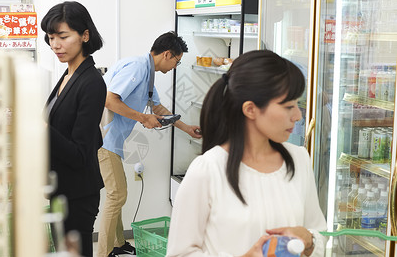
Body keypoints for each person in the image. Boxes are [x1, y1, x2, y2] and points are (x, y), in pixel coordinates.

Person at [166, 50, 327, 257]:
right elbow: (180, 253)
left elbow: (319, 232)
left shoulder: (298, 159)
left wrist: (310, 239)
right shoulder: (207, 169)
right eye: (288, 107)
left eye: (298, 104)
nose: (297, 116)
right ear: (250, 109)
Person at [97, 31, 202, 257]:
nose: (176, 65)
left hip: (112, 141)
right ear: (167, 54)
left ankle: (118, 244)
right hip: (102, 139)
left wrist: (188, 128)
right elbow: (109, 99)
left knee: (118, 194)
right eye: (177, 60)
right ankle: (104, 252)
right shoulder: (136, 67)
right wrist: (143, 118)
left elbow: (158, 109)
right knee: (117, 195)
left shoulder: (149, 74)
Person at [42, 1, 106, 257]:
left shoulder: (91, 83)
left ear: (84, 35)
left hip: (78, 194)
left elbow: (80, 153)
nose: (55, 44)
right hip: (62, 190)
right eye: (50, 37)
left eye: (63, 36)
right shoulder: (68, 75)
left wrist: (41, 128)